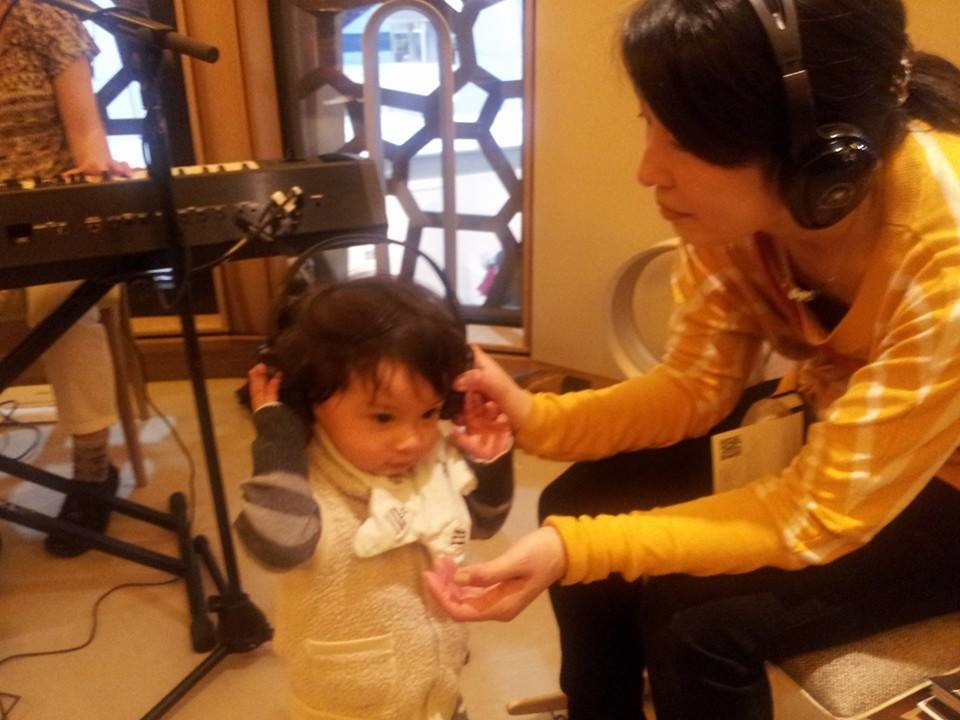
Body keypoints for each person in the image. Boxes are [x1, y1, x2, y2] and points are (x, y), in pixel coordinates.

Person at [423, 1, 960, 719]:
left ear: (817, 151)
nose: (648, 171)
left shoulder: (946, 255)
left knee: (697, 621)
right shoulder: (738, 223)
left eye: (686, 140)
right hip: (853, 422)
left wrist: (574, 551)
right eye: (650, 124)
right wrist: (534, 416)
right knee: (576, 503)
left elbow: (816, 513)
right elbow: (694, 389)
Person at [235, 276, 514, 720]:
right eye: (383, 417)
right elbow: (278, 545)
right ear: (309, 402)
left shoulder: (432, 460)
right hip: (347, 705)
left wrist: (491, 460)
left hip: (438, 689)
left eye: (428, 413)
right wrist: (280, 437)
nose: (412, 440)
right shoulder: (304, 483)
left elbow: (481, 522)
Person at [0, 0, 132, 556]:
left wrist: (96, 171)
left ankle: (91, 473)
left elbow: (86, 133)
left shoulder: (44, 21)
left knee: (62, 300)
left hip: (52, 213)